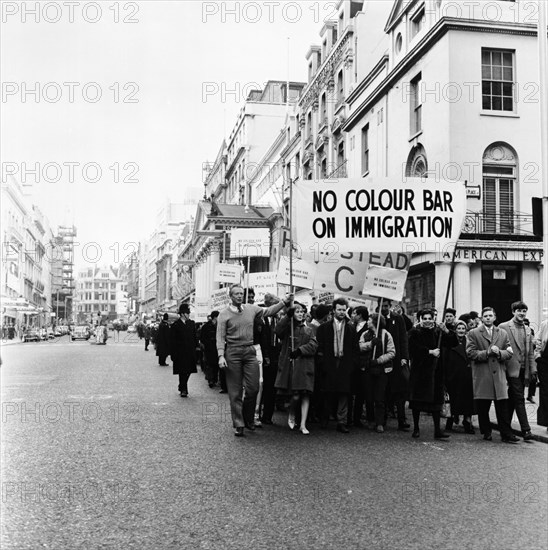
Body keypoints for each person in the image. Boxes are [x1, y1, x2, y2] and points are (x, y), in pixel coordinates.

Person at [216, 284, 292, 437]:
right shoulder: (223, 314)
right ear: (230, 296)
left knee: (253, 389)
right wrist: (221, 356)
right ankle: (239, 424)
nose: (239, 296)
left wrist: (284, 301)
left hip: (250, 351)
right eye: (236, 293)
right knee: (235, 392)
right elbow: (220, 337)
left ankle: (248, 417)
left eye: (241, 293)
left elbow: (269, 311)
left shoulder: (251, 309)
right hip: (233, 352)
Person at [466, 307, 519, 443]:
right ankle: (486, 431)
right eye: (485, 316)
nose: (488, 318)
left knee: (502, 407)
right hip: (483, 375)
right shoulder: (473, 333)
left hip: (499, 376)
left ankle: (506, 434)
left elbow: (509, 352)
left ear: (495, 317)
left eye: (490, 315)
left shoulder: (502, 333)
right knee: (483, 406)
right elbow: (471, 352)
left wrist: (500, 353)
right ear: (482, 318)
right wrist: (487, 352)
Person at [408, 308, 457, 439]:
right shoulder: (415, 332)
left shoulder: (438, 332)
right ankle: (416, 428)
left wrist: (446, 330)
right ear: (420, 320)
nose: (428, 321)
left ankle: (437, 430)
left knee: (436, 402)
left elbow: (453, 342)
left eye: (430, 318)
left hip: (436, 371)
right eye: (425, 319)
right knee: (417, 402)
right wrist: (429, 352)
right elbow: (413, 349)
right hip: (420, 371)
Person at [316, 298, 359, 433]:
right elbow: (319, 347)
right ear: (333, 310)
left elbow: (355, 349)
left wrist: (352, 364)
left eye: (343, 309)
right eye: (339, 309)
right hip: (329, 362)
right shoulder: (324, 328)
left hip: (345, 364)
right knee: (327, 392)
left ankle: (342, 421)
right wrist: (322, 362)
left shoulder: (351, 329)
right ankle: (325, 417)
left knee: (344, 393)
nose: (341, 312)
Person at [274, 303, 318, 434]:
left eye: (302, 312)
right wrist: (287, 316)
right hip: (293, 366)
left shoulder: (309, 329)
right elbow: (278, 330)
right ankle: (292, 412)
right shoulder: (288, 328)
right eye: (297, 311)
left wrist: (300, 350)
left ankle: (303, 424)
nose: (300, 314)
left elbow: (314, 345)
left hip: (305, 365)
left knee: (306, 395)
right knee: (296, 395)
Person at [499, 301, 536, 440]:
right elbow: (498, 345)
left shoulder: (527, 329)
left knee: (512, 400)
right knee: (519, 398)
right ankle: (526, 430)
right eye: (519, 310)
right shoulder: (503, 327)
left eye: (524, 311)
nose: (522, 313)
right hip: (509, 368)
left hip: (523, 370)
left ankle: (505, 430)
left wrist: (533, 370)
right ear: (513, 312)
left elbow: (530, 353)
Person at [360, 313, 396, 433]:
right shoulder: (365, 334)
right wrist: (370, 344)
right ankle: (370, 419)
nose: (367, 321)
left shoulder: (386, 335)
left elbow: (391, 352)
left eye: (369, 319)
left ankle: (380, 422)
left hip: (382, 370)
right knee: (369, 396)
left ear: (375, 322)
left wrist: (379, 360)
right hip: (368, 368)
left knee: (380, 397)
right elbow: (360, 347)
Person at [380, 301, 411, 431]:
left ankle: (401, 420)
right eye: (382, 306)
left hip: (397, 359)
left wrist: (404, 357)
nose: (384, 308)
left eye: (386, 306)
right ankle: (383, 419)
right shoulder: (377, 319)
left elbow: (403, 338)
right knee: (384, 390)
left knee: (399, 391)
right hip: (382, 360)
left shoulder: (397, 318)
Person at [443, 320, 475, 434]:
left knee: (467, 400)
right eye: (459, 328)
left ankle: (467, 421)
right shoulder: (450, 341)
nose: (461, 331)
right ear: (455, 330)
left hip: (467, 374)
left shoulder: (469, 341)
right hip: (453, 374)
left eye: (463, 328)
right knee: (452, 399)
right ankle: (450, 420)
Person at [170, 303, 198, 397]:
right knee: (182, 371)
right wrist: (173, 353)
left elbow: (195, 337)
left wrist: (196, 348)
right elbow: (172, 341)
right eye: (187, 313)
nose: (188, 315)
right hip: (180, 352)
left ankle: (182, 385)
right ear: (182, 314)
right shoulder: (175, 325)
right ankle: (184, 390)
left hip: (190, 351)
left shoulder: (191, 323)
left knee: (189, 370)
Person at [349, 306, 369, 428]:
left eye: (354, 313)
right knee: (350, 391)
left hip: (363, 363)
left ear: (360, 315)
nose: (352, 316)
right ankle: (349, 417)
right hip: (352, 363)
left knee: (361, 392)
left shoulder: (369, 327)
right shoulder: (351, 326)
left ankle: (357, 417)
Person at [534, 319, 548, 431]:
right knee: (545, 392)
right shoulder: (545, 323)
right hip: (545, 361)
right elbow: (537, 340)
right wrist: (538, 355)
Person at [200, 311, 220, 387]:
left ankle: (215, 379)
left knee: (216, 365)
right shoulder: (206, 326)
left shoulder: (220, 326)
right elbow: (202, 337)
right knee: (209, 365)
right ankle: (210, 380)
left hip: (217, 348)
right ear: (215, 317)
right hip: (209, 348)